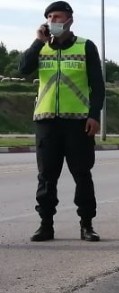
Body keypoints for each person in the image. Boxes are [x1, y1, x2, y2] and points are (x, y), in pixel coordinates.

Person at [19, 1, 105, 242]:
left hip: (78, 122)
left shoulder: (85, 46)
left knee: (82, 174)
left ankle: (86, 225)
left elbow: (97, 86)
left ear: (70, 20)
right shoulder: (40, 48)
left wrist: (94, 115)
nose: (53, 21)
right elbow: (23, 68)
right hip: (46, 122)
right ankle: (46, 225)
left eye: (58, 17)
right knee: (46, 176)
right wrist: (38, 42)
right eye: (49, 17)